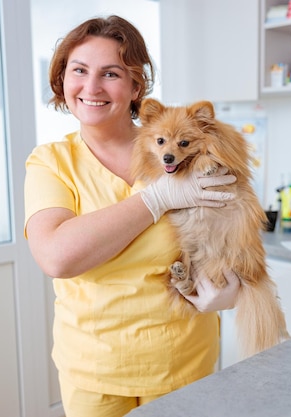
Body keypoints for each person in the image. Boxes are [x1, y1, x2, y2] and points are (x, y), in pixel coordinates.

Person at [24, 15, 241, 417]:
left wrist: (232, 283)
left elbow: (232, 230)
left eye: (110, 73)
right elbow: (56, 257)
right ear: (62, 79)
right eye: (79, 71)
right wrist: (157, 199)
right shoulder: (51, 162)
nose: (91, 87)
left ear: (135, 85)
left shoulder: (184, 148)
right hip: (95, 369)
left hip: (185, 360)